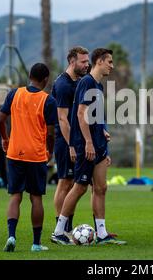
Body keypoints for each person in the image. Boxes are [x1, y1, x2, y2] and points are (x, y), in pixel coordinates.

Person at [53, 48, 126, 245]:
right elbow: (80, 114)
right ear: (100, 61)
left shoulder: (98, 86)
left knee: (101, 188)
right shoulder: (86, 83)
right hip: (87, 145)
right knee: (79, 187)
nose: (112, 65)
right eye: (109, 61)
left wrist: (102, 131)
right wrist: (88, 142)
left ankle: (101, 234)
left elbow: (94, 116)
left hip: (99, 143)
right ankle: (58, 231)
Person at [0, 63, 57, 252]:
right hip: (36, 155)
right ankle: (36, 244)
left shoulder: (14, 94)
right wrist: (50, 152)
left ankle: (11, 236)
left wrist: (5, 139)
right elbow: (50, 133)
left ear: (30, 76)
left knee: (15, 196)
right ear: (46, 79)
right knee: (36, 198)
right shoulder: (48, 100)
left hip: (14, 153)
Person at [50, 46, 90, 242]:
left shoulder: (80, 82)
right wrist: (72, 145)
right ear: (72, 62)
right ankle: (60, 228)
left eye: (87, 61)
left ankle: (67, 226)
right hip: (66, 141)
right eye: (83, 61)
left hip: (77, 141)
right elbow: (63, 119)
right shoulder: (63, 85)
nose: (86, 64)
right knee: (65, 182)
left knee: (75, 184)